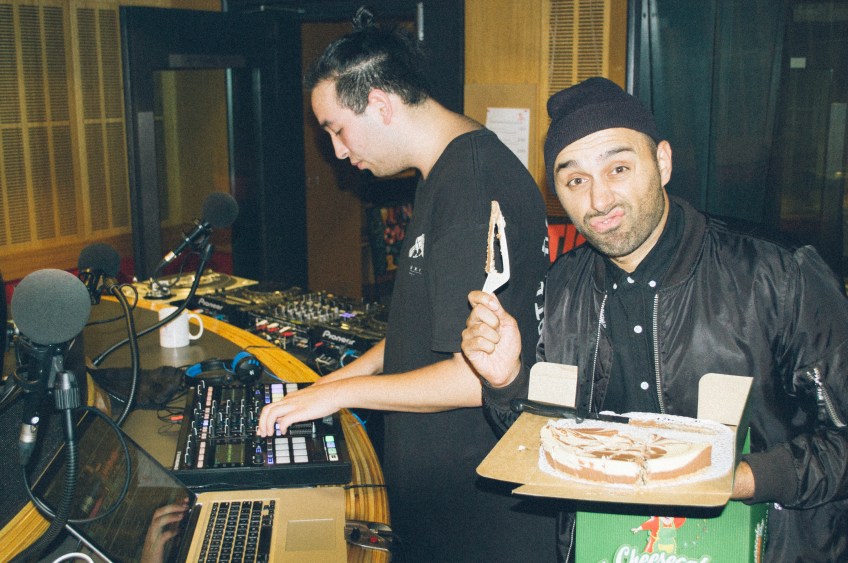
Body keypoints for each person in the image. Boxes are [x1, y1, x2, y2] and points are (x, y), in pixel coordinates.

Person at [461, 76, 848, 562]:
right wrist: (506, 382)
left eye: (618, 168)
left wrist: (738, 478)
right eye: (575, 180)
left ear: (662, 162)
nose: (599, 200)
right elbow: (548, 445)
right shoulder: (560, 288)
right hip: (613, 547)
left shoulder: (778, 273)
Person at [256, 8, 558, 561]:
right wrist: (327, 385)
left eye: (337, 129)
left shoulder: (469, 187)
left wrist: (340, 395)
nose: (338, 151)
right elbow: (419, 332)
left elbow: (473, 378)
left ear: (380, 105)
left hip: (476, 520)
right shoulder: (446, 173)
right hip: (449, 506)